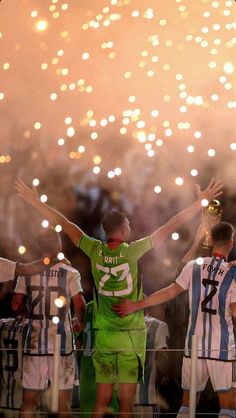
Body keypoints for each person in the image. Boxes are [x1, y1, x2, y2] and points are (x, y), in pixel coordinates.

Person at [14, 177, 223, 418]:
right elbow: (171, 224)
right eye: (129, 227)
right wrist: (199, 204)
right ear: (124, 229)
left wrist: (35, 201)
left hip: (103, 336)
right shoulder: (134, 250)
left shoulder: (94, 249)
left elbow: (64, 222)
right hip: (130, 337)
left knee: (102, 400)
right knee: (126, 403)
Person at [113, 222, 236, 418]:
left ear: (210, 241)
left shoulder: (194, 267)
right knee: (228, 406)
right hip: (221, 346)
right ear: (231, 243)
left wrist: (138, 304)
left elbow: (171, 291)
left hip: (194, 345)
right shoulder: (232, 273)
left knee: (187, 405)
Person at [11, 228, 86, 418]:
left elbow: (15, 304)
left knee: (29, 400)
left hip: (35, 344)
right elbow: (79, 303)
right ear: (59, 245)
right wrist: (80, 321)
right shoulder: (69, 272)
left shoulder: (26, 273)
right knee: (63, 403)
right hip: (62, 346)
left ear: (38, 246)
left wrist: (24, 311)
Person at [134, 307, 169, 418]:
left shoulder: (122, 327)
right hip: (148, 397)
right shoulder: (158, 325)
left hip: (124, 397)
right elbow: (162, 357)